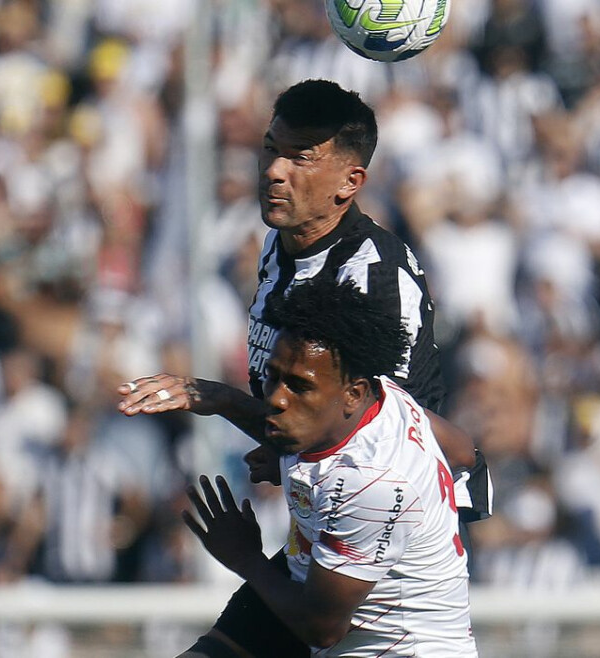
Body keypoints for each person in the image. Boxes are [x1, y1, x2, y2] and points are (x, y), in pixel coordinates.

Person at [117, 79, 489, 657]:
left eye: (300, 157)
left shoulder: (374, 282)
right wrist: (273, 440)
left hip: (380, 559)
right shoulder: (278, 245)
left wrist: (225, 406)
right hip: (318, 526)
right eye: (271, 148)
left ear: (350, 182)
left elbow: (373, 441)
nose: (274, 171)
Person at [160, 278, 478, 656]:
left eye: (299, 386)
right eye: (273, 376)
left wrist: (244, 557)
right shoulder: (385, 398)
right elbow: (463, 452)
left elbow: (322, 628)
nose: (277, 398)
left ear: (353, 394)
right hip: (306, 587)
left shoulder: (372, 484)